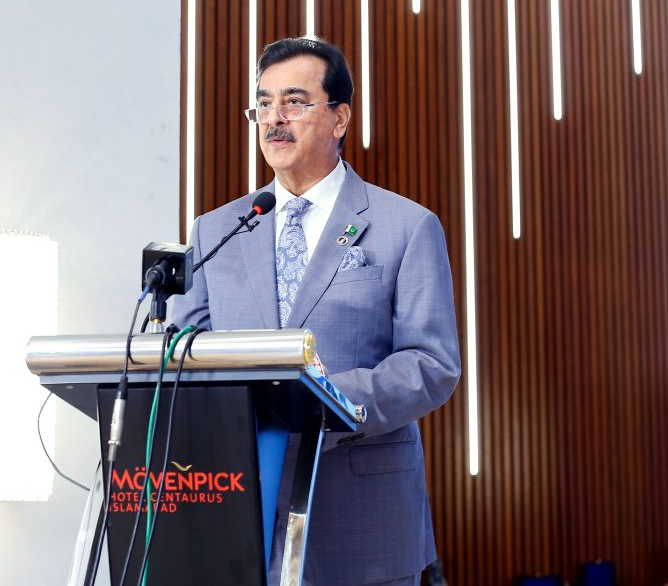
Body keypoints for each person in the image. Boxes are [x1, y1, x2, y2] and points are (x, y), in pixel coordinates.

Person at [171, 36, 461, 586]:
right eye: (264, 104)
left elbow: (431, 364)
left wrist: (322, 400)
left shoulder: (406, 226)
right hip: (238, 510)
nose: (274, 119)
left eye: (295, 102)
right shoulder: (217, 229)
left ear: (339, 118)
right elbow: (187, 352)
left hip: (360, 516)